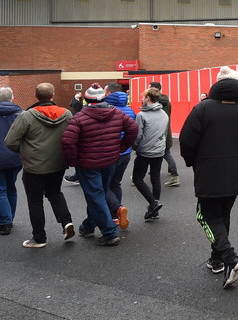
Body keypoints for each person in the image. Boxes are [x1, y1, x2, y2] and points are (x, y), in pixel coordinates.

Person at [179, 65, 238, 288]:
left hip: (208, 172)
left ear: (216, 83)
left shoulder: (202, 109)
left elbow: (187, 141)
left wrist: (193, 162)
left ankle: (229, 257)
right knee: (223, 214)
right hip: (237, 171)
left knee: (205, 216)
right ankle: (218, 260)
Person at [60, 83, 138, 246]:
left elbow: (68, 141)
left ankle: (109, 232)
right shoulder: (116, 113)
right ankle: (88, 226)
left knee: (95, 196)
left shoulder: (79, 118)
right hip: (110, 161)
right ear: (104, 98)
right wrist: (121, 147)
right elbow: (133, 128)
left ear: (87, 100)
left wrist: (73, 161)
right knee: (98, 195)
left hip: (88, 163)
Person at [4, 83, 74, 247]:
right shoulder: (67, 114)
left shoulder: (27, 116)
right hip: (58, 163)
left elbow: (10, 141)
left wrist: (24, 152)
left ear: (36, 96)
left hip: (34, 166)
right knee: (55, 193)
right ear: (53, 95)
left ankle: (39, 238)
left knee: (35, 201)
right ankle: (66, 222)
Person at [130, 87, 168, 221]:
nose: (141, 99)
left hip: (145, 151)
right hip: (159, 150)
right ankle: (154, 211)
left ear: (148, 98)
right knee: (155, 178)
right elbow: (165, 132)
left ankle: (153, 203)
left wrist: (135, 146)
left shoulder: (141, 115)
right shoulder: (163, 113)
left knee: (137, 178)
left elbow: (138, 135)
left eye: (143, 97)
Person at [103, 82, 135, 230]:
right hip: (125, 153)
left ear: (109, 94)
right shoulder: (130, 110)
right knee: (116, 183)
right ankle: (116, 216)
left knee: (104, 186)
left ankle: (117, 209)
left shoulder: (108, 111)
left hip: (110, 153)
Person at [0, 87, 23, 236]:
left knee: (0, 189)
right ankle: (10, 217)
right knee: (11, 187)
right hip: (16, 156)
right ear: (12, 97)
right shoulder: (21, 114)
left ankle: (5, 221)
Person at [148, 82, 180, 187]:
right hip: (165, 131)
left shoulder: (156, 102)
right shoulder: (166, 101)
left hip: (159, 132)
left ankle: (174, 175)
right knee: (165, 153)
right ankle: (172, 173)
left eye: (149, 87)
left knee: (158, 153)